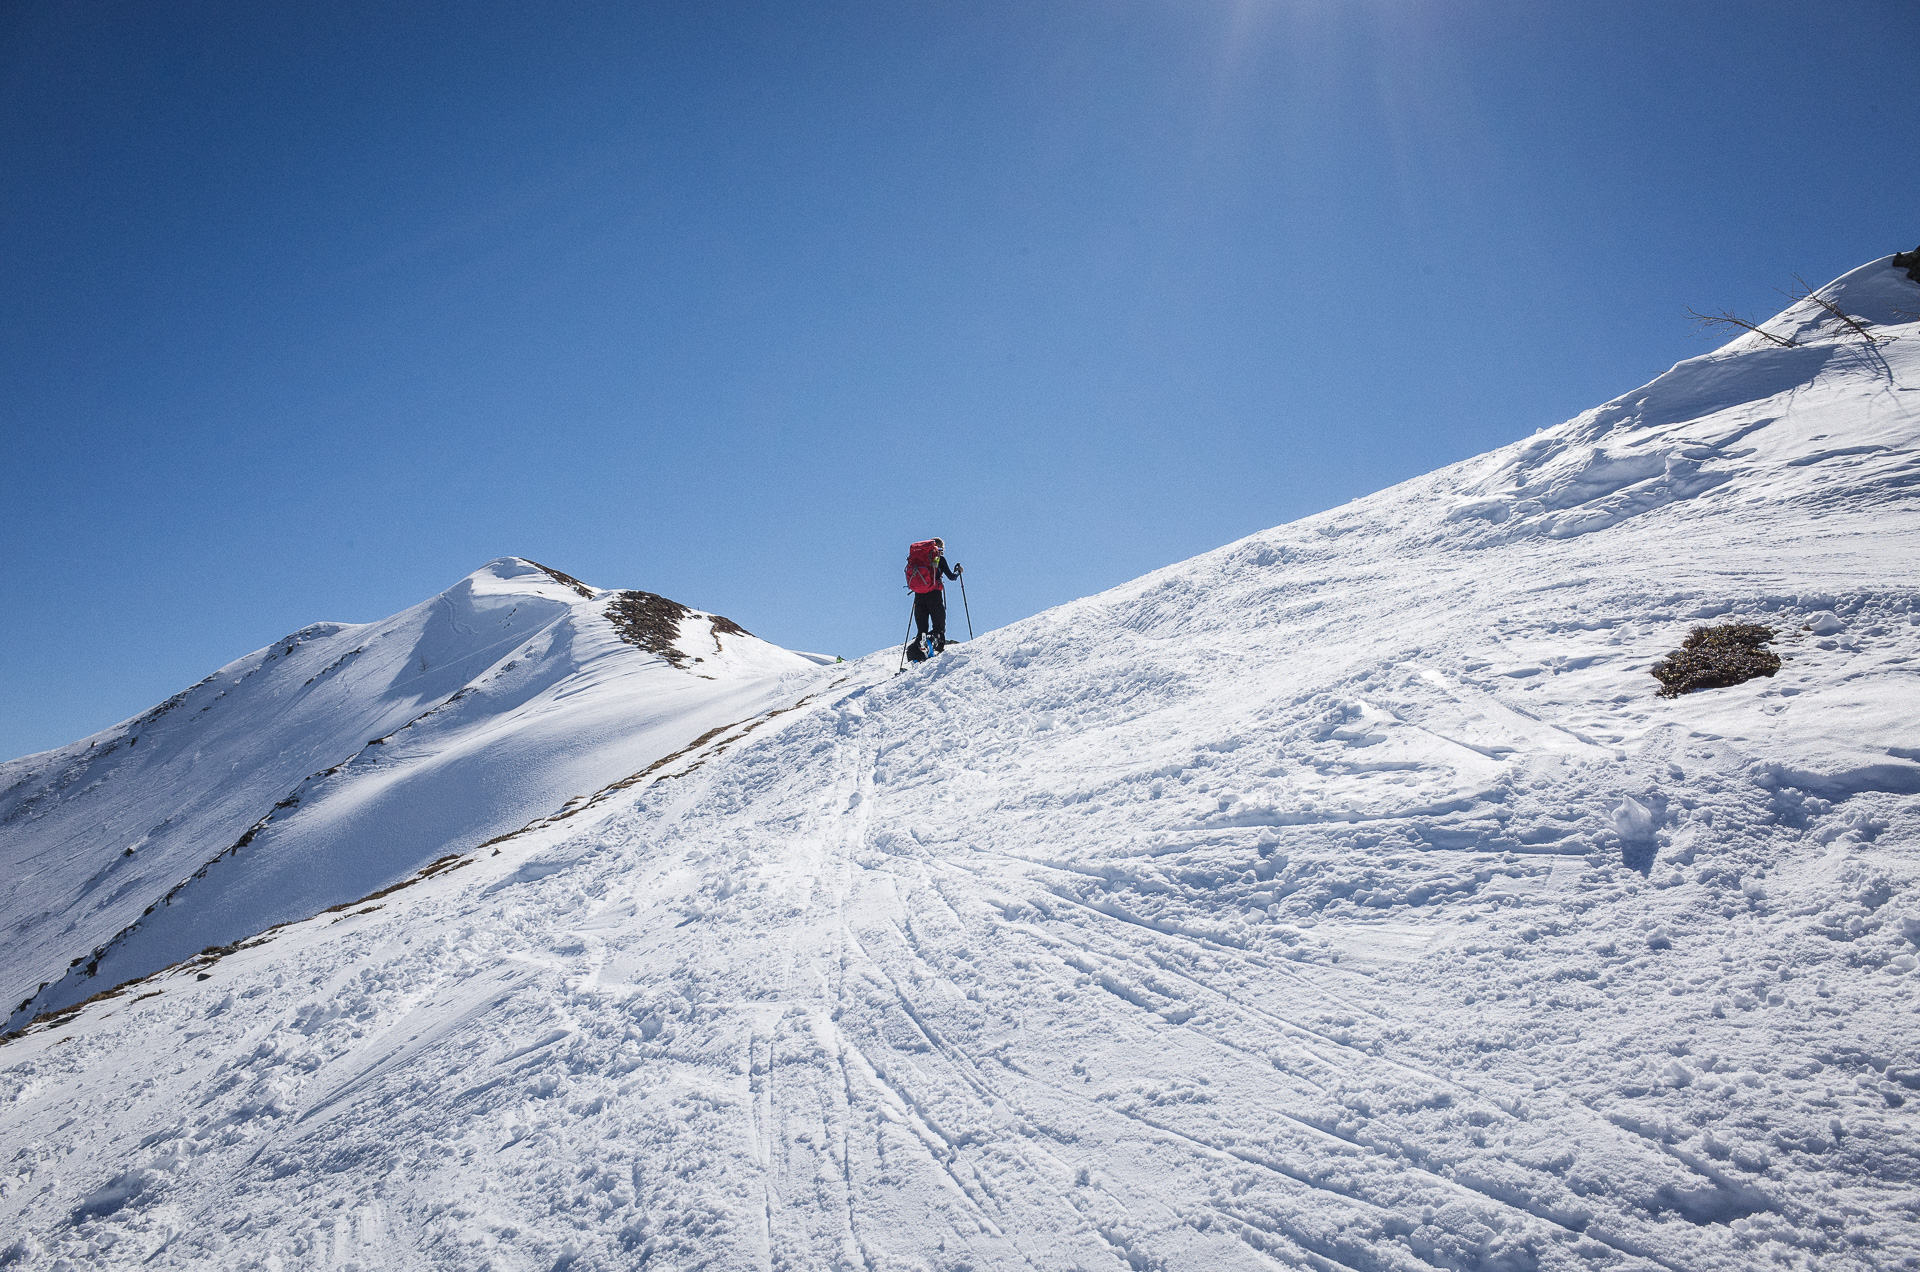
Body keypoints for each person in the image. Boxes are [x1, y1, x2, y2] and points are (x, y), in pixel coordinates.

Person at [909, 537, 963, 654]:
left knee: (921, 629)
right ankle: (937, 648)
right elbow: (952, 577)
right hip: (934, 594)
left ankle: (918, 654)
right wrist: (958, 571)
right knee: (939, 626)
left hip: (919, 596)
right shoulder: (939, 559)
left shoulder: (918, 561)